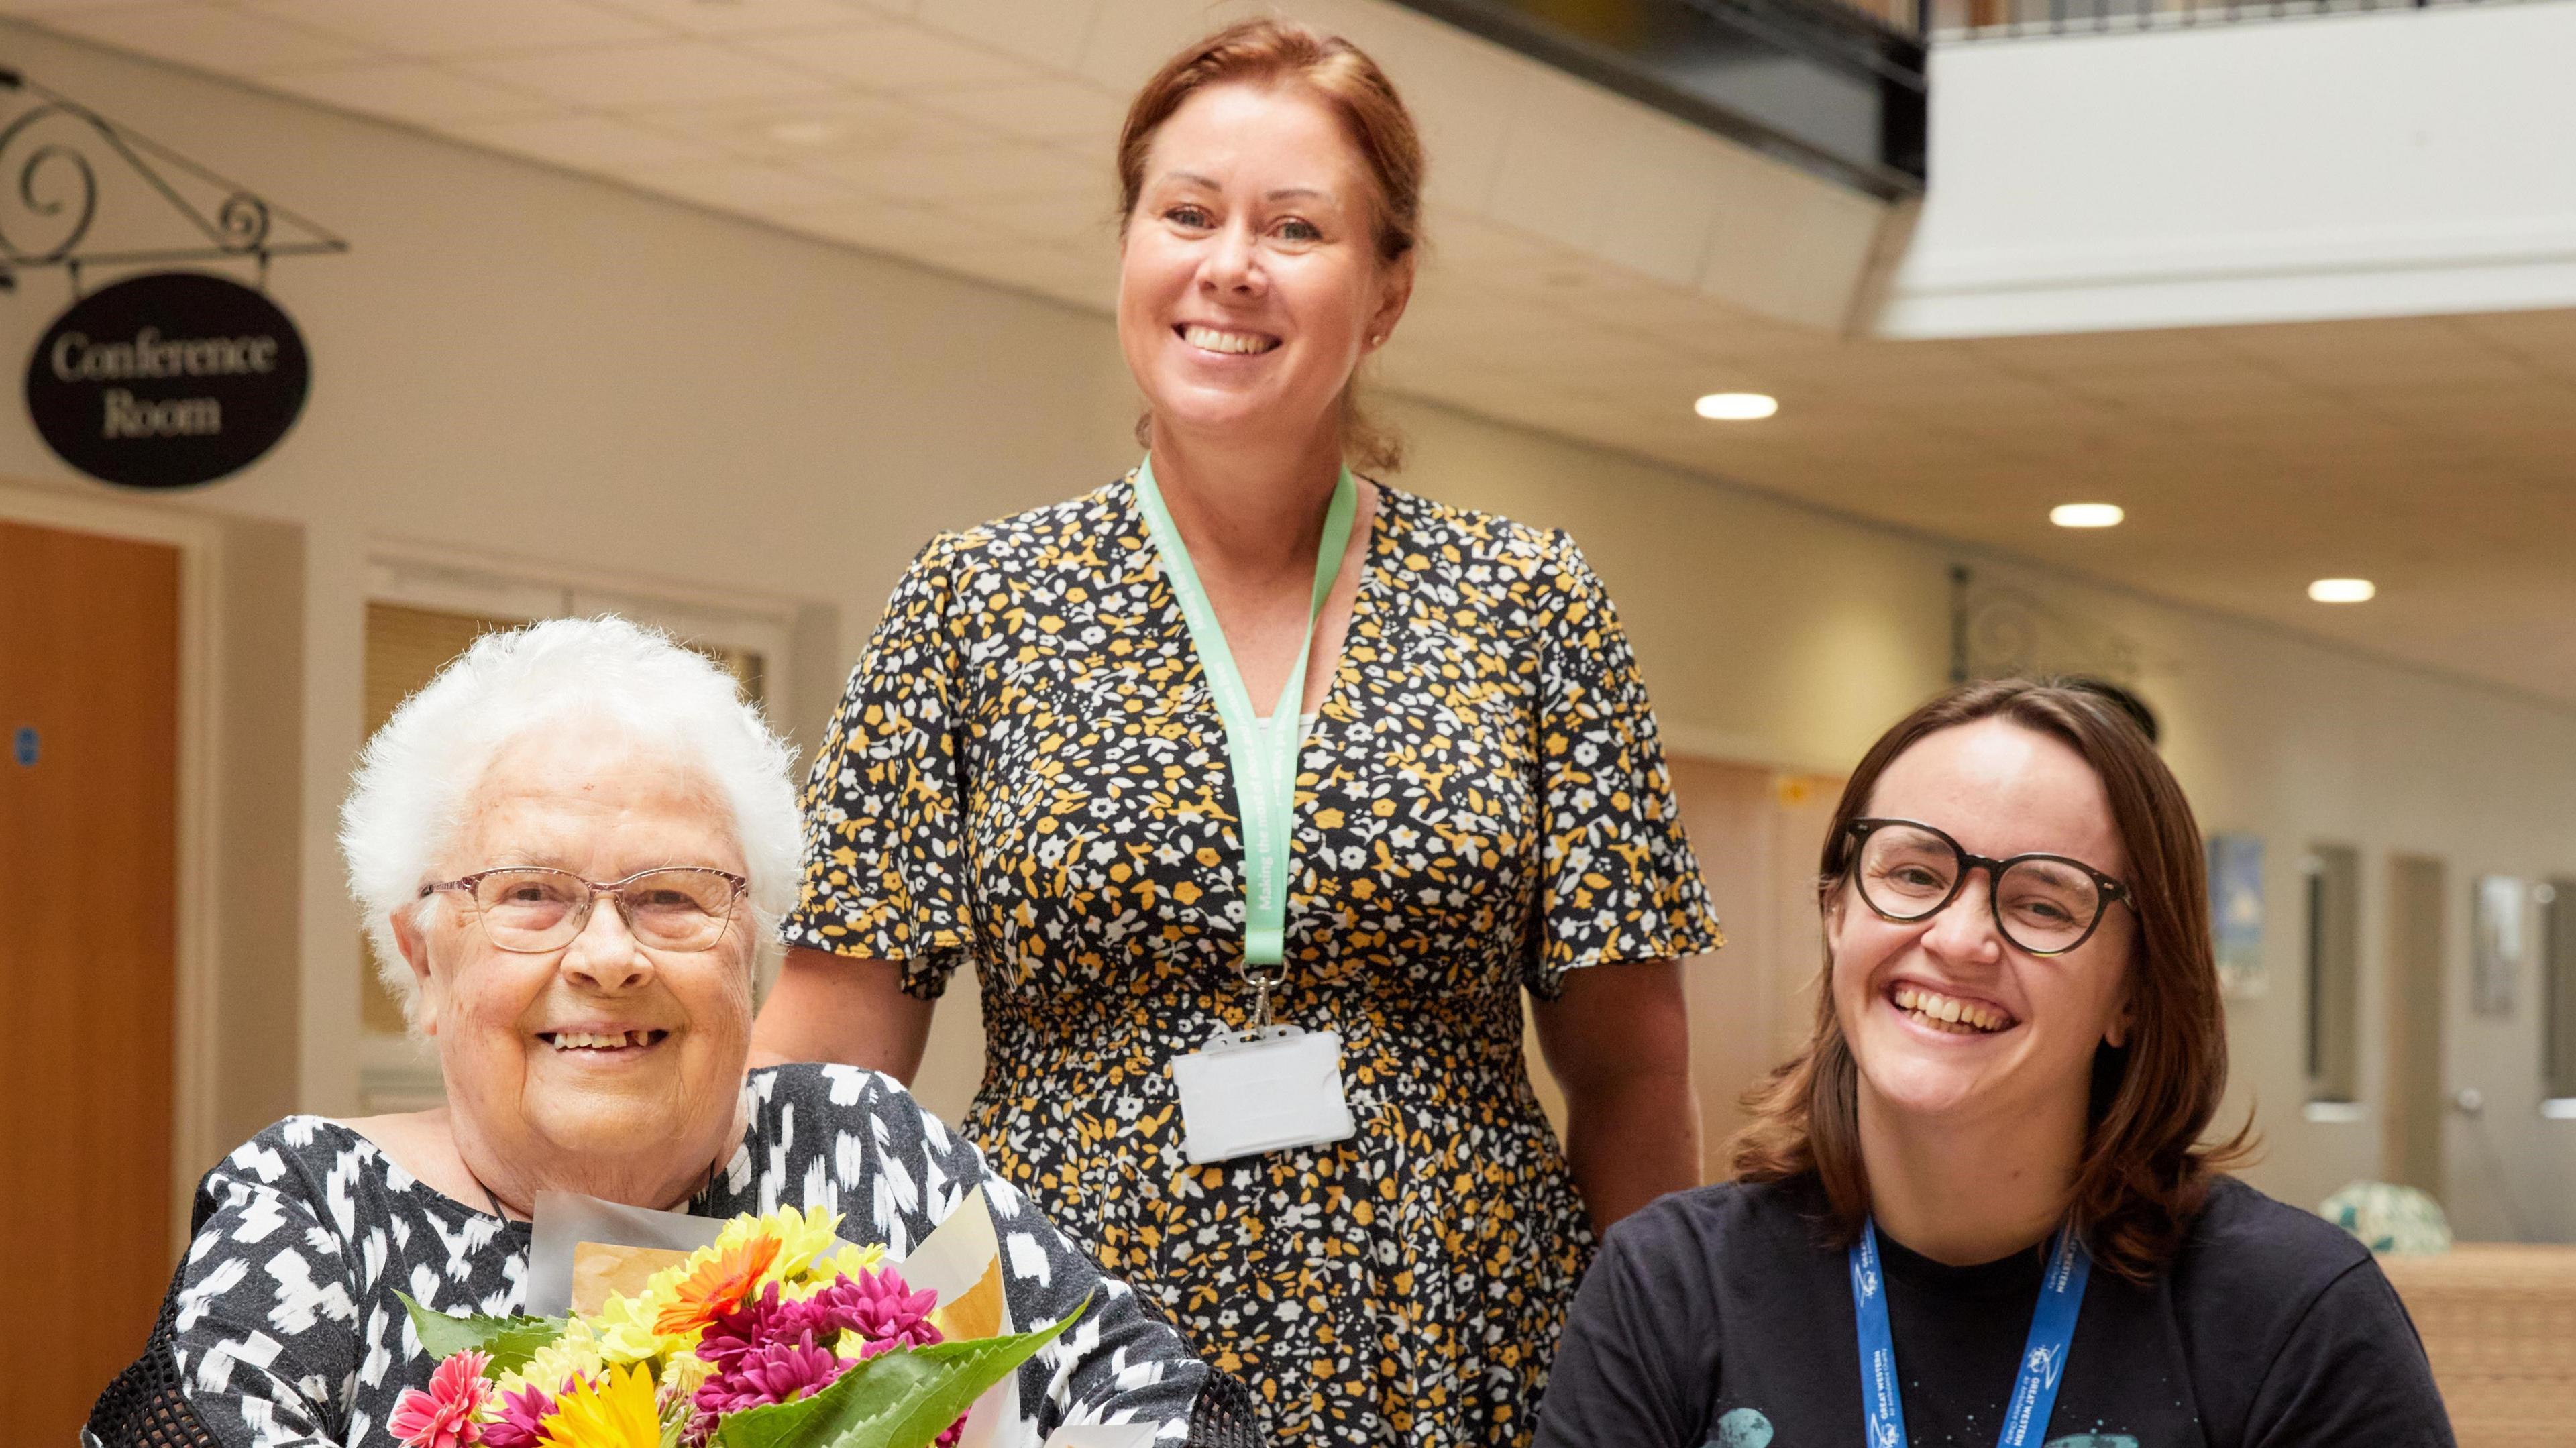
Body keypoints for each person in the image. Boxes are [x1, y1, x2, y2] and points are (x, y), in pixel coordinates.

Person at [753, 19, 1721, 1445]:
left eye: (1299, 227)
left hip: (1463, 1350)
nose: (1231, 266)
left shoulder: (1528, 603)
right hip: (1061, 1340)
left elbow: (1635, 1071)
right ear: (1131, 247)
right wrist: (785, 1375)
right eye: (1187, 213)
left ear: (1387, 292)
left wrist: (1664, 1395)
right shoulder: (975, 602)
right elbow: (824, 1070)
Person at [148, 618, 1206, 1447]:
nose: (610, 956)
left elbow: (1169, 1400)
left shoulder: (863, 1146)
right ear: (425, 961)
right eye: (530, 894)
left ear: (749, 956)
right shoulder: (315, 1206)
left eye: (670, 896)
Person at [1535, 679, 2453, 1448]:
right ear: (1836, 912)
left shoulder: (2291, 1314)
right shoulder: (1669, 1286)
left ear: (2135, 991)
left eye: (2045, 903)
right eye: (1914, 875)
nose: (1961, 938)